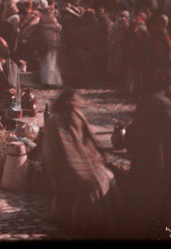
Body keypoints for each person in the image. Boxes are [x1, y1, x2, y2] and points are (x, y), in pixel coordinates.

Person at [42, 88, 121, 237]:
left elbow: (89, 139)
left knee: (108, 176)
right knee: (91, 183)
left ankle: (104, 221)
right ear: (64, 101)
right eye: (71, 100)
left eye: (76, 100)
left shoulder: (77, 115)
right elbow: (56, 151)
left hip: (85, 160)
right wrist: (79, 169)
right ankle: (82, 223)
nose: (74, 103)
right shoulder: (56, 120)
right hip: (65, 165)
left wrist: (96, 156)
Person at [125, 69, 171, 238]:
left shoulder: (144, 99)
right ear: (169, 85)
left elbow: (134, 127)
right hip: (155, 152)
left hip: (141, 149)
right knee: (155, 190)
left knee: (140, 188)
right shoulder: (165, 103)